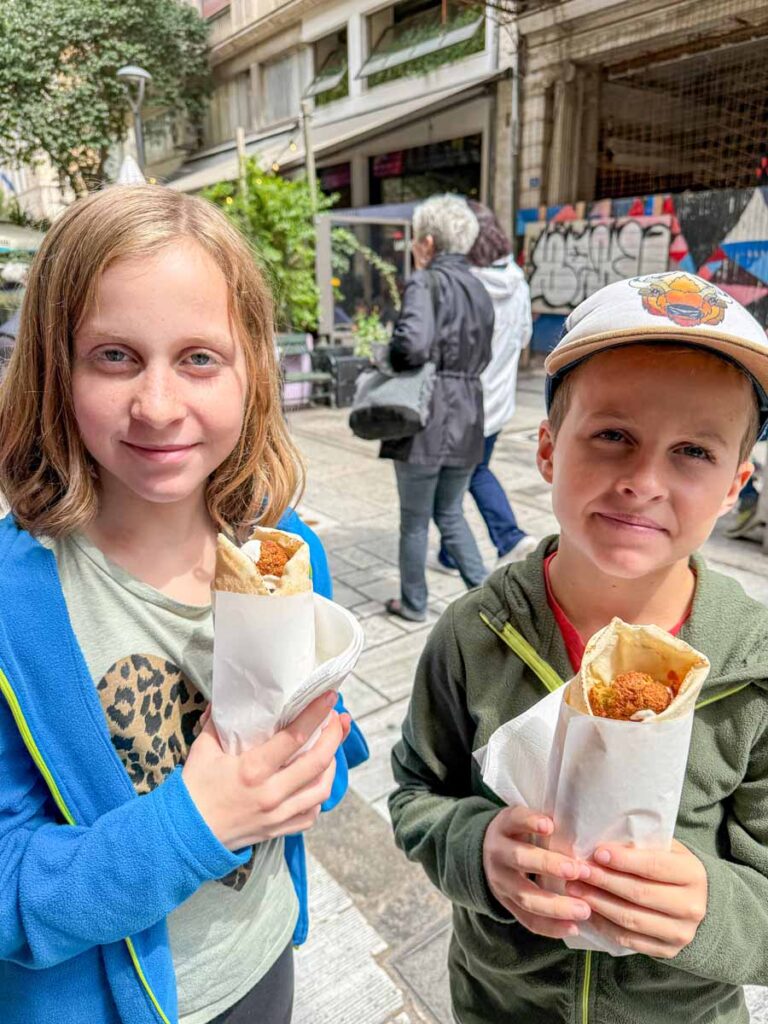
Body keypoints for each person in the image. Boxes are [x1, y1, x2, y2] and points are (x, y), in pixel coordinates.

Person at [0, 185, 367, 1024]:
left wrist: (317, 764)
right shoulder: (14, 609)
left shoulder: (286, 549)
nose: (158, 406)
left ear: (252, 371)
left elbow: (322, 741)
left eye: (199, 358)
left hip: (263, 957)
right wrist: (196, 821)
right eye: (115, 356)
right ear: (56, 368)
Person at [389, 271, 768, 1023]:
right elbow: (415, 795)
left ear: (736, 486)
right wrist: (476, 853)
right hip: (499, 1003)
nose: (643, 480)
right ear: (548, 449)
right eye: (613, 436)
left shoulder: (753, 673)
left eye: (693, 451)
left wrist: (711, 909)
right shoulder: (473, 635)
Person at [382, 194, 494, 623]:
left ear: (427, 243)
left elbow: (410, 345)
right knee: (451, 511)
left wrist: (389, 356)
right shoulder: (479, 288)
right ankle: (487, 600)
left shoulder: (424, 281)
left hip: (425, 415)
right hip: (468, 411)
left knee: (414, 521)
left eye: (414, 240)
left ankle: (413, 604)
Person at [435, 201, 536, 576]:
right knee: (468, 472)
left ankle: (507, 537)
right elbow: (524, 335)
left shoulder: (457, 286)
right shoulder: (516, 279)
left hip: (461, 406)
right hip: (498, 404)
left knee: (461, 478)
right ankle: (455, 552)